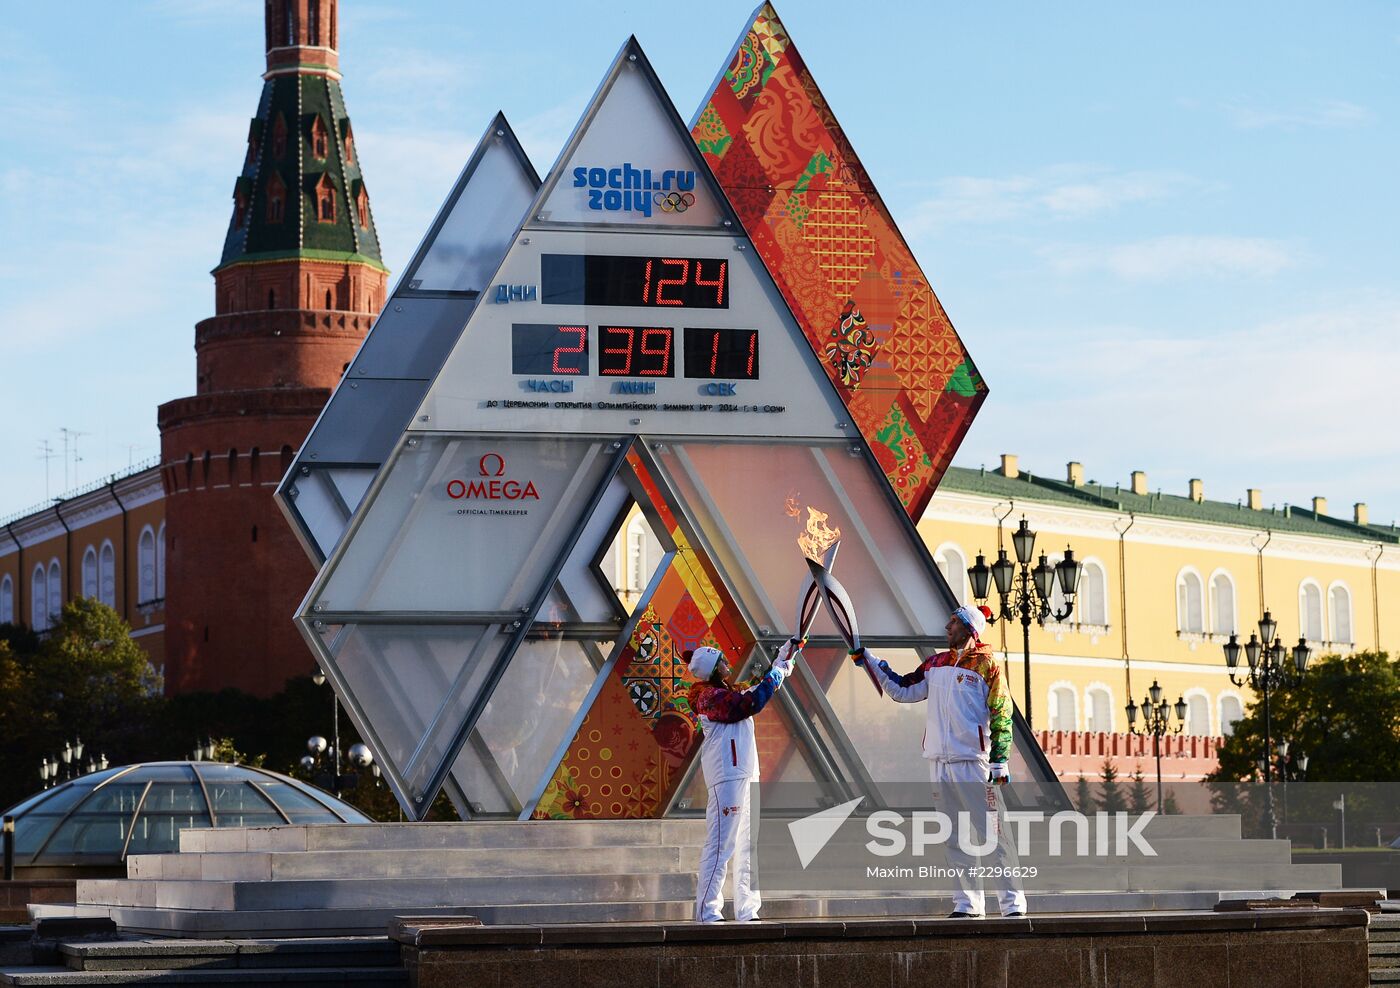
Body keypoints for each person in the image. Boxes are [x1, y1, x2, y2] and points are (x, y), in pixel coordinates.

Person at [855, 605, 1027, 918]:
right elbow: (903, 690)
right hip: (939, 761)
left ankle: (1012, 905)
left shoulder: (987, 664)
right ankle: (967, 904)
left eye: (953, 623)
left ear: (969, 629)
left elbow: (1003, 712)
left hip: (974, 762)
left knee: (994, 834)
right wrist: (871, 662)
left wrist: (1000, 760)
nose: (947, 628)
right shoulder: (936, 663)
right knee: (955, 837)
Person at [684, 640, 796, 923]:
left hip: (747, 773)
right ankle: (708, 912)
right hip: (727, 776)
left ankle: (748, 911)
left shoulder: (727, 691)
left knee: (748, 845)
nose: (727, 663)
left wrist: (783, 658)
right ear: (712, 669)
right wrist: (777, 675)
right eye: (722, 660)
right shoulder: (707, 697)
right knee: (721, 845)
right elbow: (750, 703)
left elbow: (757, 688)